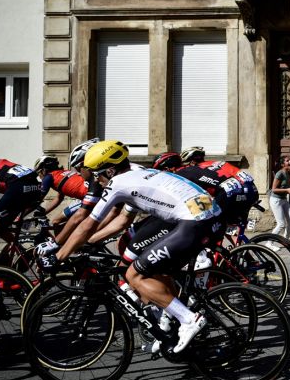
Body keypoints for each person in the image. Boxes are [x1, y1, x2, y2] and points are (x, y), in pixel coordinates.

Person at [74, 140, 224, 354]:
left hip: (183, 221)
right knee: (147, 264)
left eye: (96, 174)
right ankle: (166, 327)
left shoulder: (121, 180)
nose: (96, 179)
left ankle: (186, 318)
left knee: (133, 270)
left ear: (108, 169)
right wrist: (90, 241)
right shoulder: (134, 174)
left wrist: (74, 246)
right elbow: (120, 219)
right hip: (195, 218)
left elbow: (104, 221)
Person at [267, 154, 290, 248]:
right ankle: (269, 243)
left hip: (283, 199)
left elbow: (287, 186)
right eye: (287, 161)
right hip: (275, 200)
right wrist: (288, 190)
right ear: (283, 164)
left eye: (289, 160)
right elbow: (274, 189)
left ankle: (286, 241)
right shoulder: (280, 173)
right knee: (281, 224)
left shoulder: (288, 172)